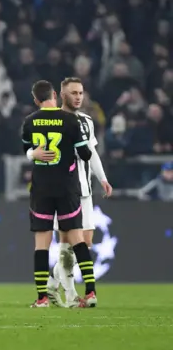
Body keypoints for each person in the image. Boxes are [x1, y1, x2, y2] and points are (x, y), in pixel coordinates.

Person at [28, 77, 113, 308]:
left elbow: (91, 153)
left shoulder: (86, 120)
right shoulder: (57, 120)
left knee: (84, 245)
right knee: (68, 244)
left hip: (84, 189)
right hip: (65, 190)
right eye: (73, 93)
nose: (78, 97)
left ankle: (52, 285)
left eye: (80, 93)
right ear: (60, 96)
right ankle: (71, 295)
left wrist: (102, 178)